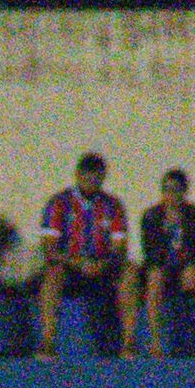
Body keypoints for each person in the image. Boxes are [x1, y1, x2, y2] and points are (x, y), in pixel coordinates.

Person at [35, 152, 138, 360]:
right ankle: (47, 342)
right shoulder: (59, 203)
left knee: (129, 272)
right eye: (87, 177)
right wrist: (77, 263)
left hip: (103, 269)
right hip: (71, 269)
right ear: (77, 175)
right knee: (52, 276)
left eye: (97, 179)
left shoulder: (113, 205)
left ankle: (128, 344)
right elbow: (49, 249)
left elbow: (120, 248)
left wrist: (102, 264)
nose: (92, 183)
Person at [139, 168, 195, 357]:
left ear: (184, 192)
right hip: (166, 271)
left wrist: (194, 267)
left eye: (176, 190)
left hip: (191, 272)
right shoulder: (152, 216)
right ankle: (156, 344)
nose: (171, 195)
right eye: (167, 190)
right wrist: (177, 264)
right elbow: (151, 255)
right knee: (154, 278)